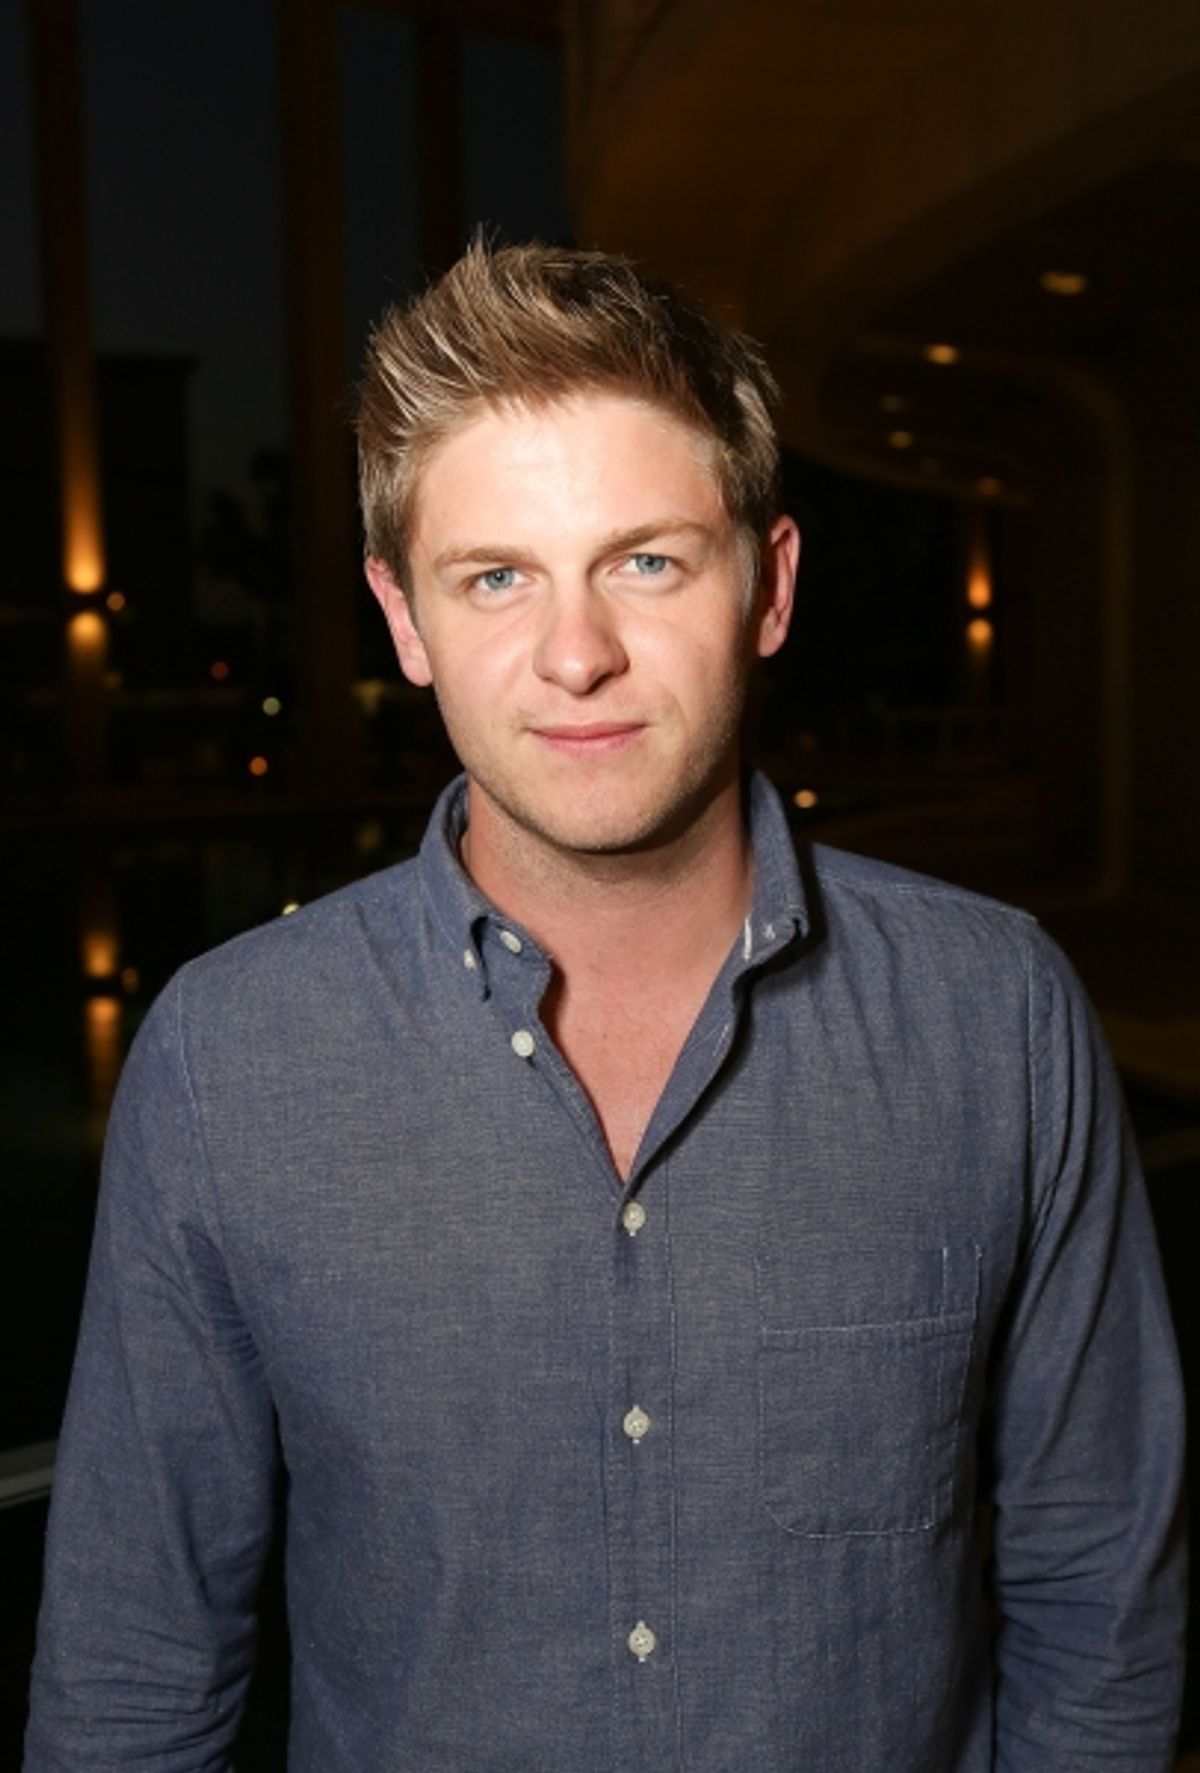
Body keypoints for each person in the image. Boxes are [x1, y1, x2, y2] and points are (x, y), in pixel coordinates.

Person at [26, 241, 1185, 1772]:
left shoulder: (1000, 1017)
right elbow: (134, 1677)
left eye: (647, 558)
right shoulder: (224, 1060)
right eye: (495, 576)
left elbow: (1100, 1593)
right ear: (404, 619)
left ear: (766, 586)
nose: (576, 654)